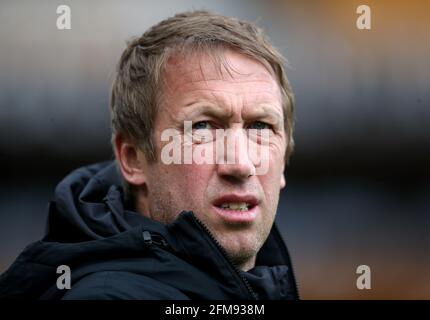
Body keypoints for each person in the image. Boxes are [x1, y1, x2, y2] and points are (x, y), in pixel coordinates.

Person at [0, 10, 299, 300]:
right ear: (133, 159)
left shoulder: (264, 279)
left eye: (261, 125)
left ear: (284, 160)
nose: (241, 163)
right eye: (203, 126)